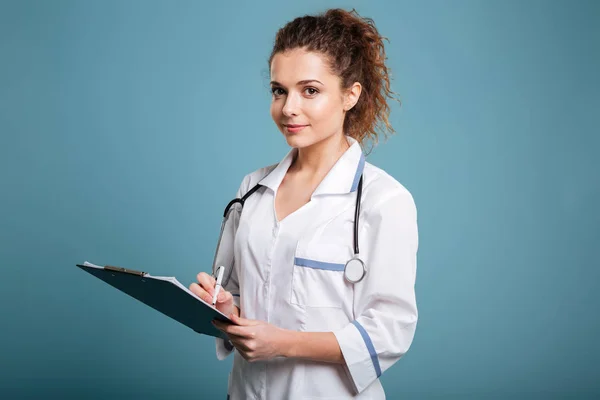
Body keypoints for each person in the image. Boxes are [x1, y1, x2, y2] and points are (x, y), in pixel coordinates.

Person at [190, 8, 419, 399]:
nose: (289, 108)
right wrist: (226, 309)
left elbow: (389, 331)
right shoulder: (252, 188)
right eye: (279, 90)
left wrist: (282, 343)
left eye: (309, 90)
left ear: (351, 94)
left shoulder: (385, 201)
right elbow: (241, 297)